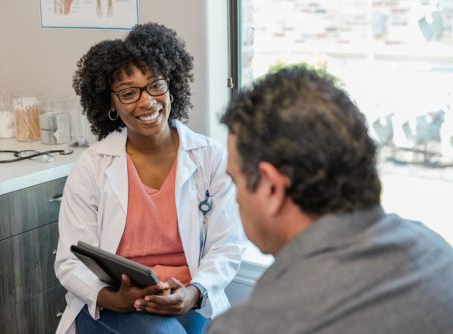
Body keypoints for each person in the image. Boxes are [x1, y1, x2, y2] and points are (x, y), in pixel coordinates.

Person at [207, 65, 453, 334]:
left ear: (272, 188)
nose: (237, 198)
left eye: (235, 181)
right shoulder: (438, 255)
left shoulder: (251, 326)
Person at [54, 23, 246, 334]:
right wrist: (113, 299)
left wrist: (193, 292)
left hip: (187, 296)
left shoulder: (209, 157)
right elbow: (69, 260)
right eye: (128, 93)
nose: (146, 102)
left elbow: (228, 246)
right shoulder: (92, 166)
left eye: (155, 85)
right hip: (113, 302)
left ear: (171, 86)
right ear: (111, 104)